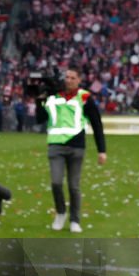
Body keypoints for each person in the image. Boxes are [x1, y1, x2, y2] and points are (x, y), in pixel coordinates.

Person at [36, 66, 107, 233]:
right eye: (67, 77)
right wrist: (40, 98)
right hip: (55, 146)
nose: (68, 80)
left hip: (76, 147)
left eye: (72, 78)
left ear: (79, 80)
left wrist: (101, 150)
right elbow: (40, 119)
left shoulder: (84, 97)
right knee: (56, 182)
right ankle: (61, 213)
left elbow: (97, 124)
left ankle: (75, 220)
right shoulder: (53, 96)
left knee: (74, 186)